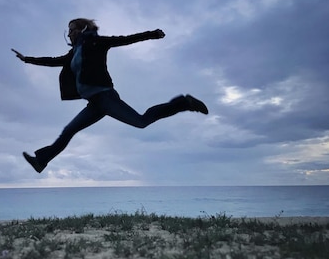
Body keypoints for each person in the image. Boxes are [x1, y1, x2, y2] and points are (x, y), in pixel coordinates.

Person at [12, 18, 208, 173]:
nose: (69, 33)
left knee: (141, 122)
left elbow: (124, 39)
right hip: (94, 104)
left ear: (81, 30)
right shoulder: (73, 53)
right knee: (68, 130)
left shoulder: (95, 42)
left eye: (72, 29)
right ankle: (41, 161)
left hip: (106, 97)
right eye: (68, 29)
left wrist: (153, 34)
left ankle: (183, 102)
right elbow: (53, 61)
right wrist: (27, 59)